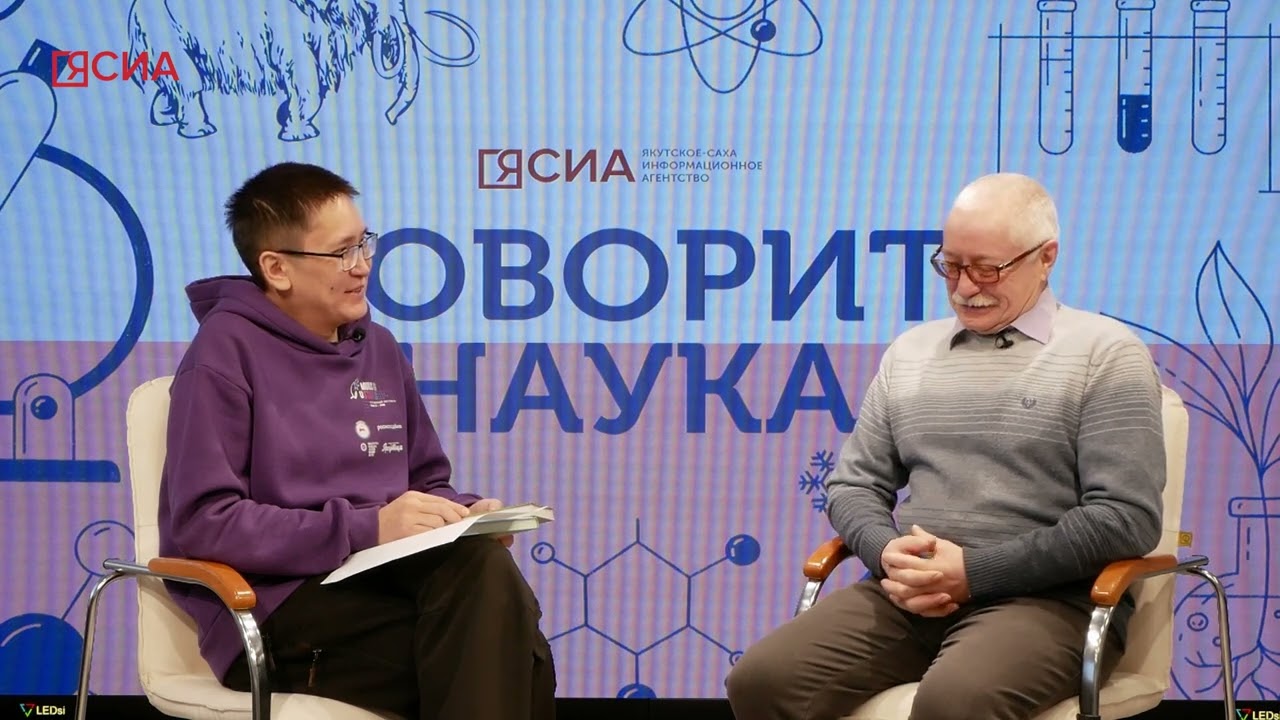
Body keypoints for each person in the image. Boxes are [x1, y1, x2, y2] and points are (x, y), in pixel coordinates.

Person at [725, 173, 1166, 720]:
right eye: (950, 265)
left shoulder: (1106, 353)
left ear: (1046, 257)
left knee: (954, 704)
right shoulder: (910, 352)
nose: (964, 287)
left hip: (1052, 601)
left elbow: (1125, 518)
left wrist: (975, 573)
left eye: (987, 268)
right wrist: (886, 553)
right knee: (762, 680)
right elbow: (853, 484)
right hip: (908, 595)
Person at [157, 162, 555, 720]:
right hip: (277, 609)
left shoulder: (380, 346)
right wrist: (367, 527)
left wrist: (464, 515)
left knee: (485, 581)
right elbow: (206, 523)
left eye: (364, 243)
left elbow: (425, 481)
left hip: (381, 587)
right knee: (510, 652)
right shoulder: (223, 355)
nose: (363, 265)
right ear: (276, 268)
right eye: (341, 252)